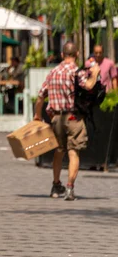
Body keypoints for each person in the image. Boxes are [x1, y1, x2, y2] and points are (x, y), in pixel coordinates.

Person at [34, 42, 100, 201]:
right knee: (73, 152)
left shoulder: (53, 72)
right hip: (73, 118)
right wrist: (95, 72)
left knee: (58, 151)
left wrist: (37, 115)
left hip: (56, 118)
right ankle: (70, 188)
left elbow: (41, 96)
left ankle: (56, 185)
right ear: (77, 54)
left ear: (62, 55)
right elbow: (89, 86)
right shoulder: (77, 72)